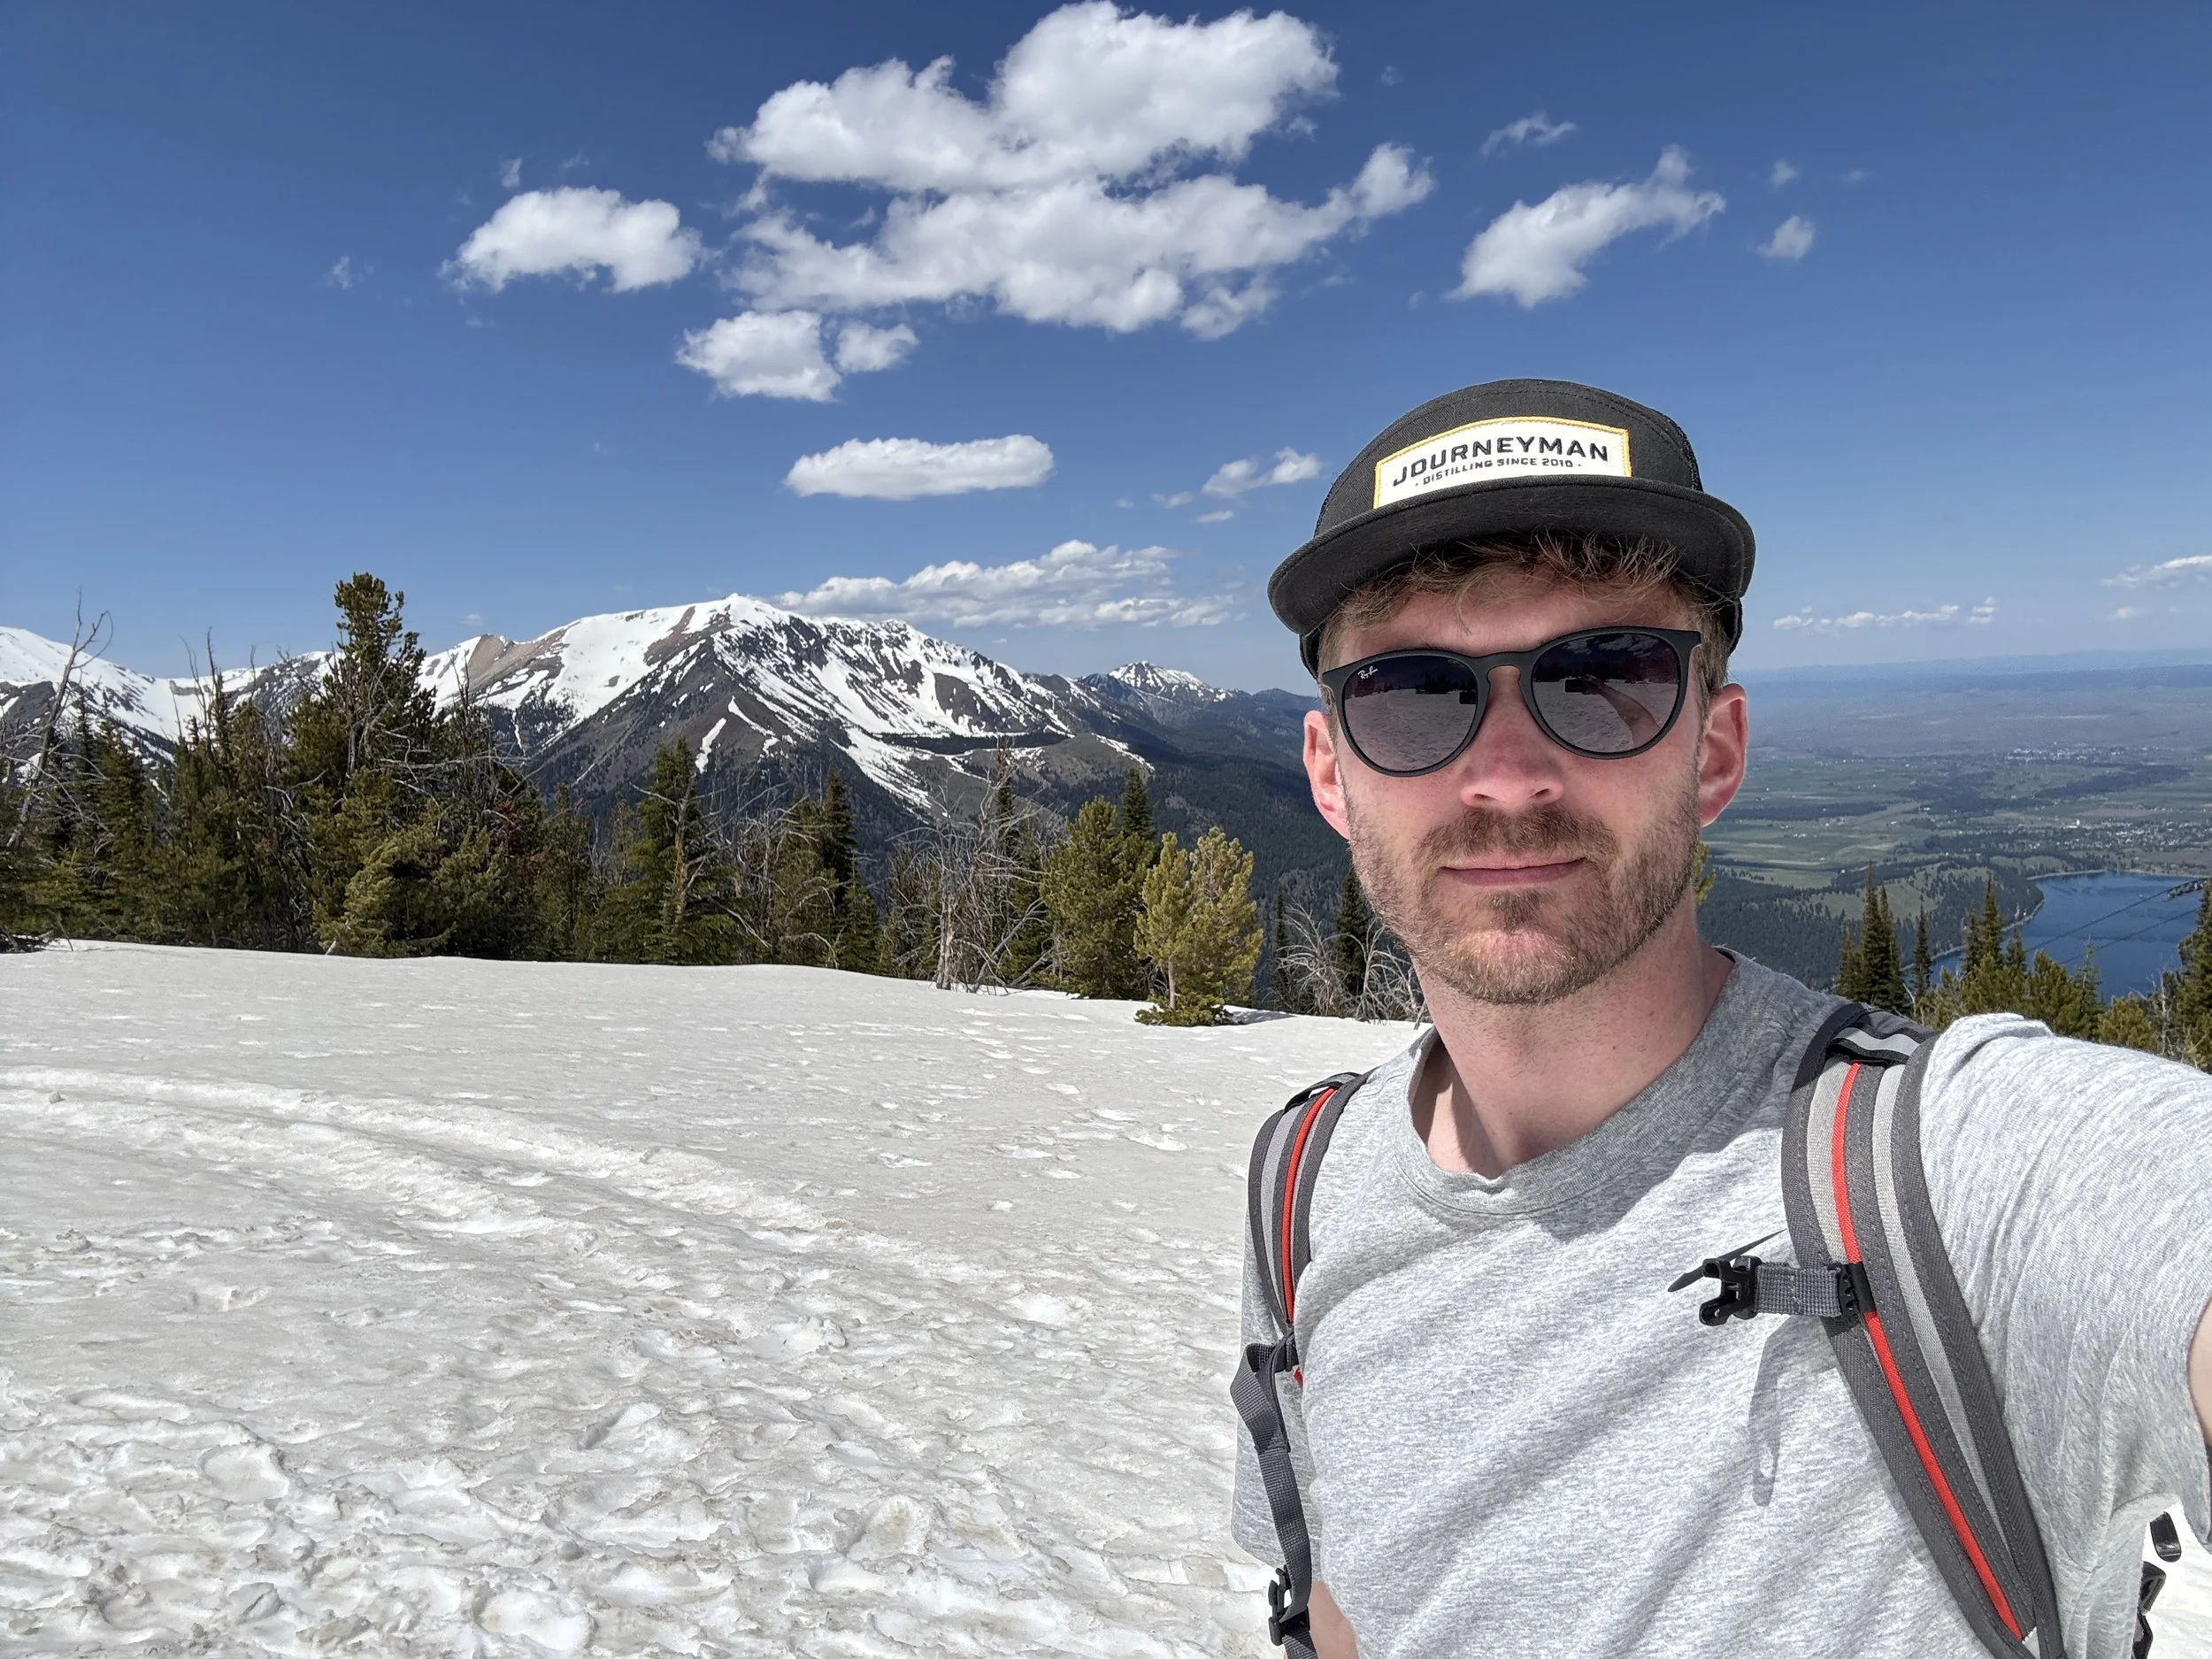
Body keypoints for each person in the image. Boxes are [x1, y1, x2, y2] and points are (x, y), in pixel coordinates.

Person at [1232, 379, 2212, 1658]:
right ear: (1329, 773)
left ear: (1715, 747)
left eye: (1603, 679)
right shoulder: (1300, 1194)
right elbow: (1347, 1609)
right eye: (1412, 695)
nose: (1509, 773)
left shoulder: (1943, 1178)